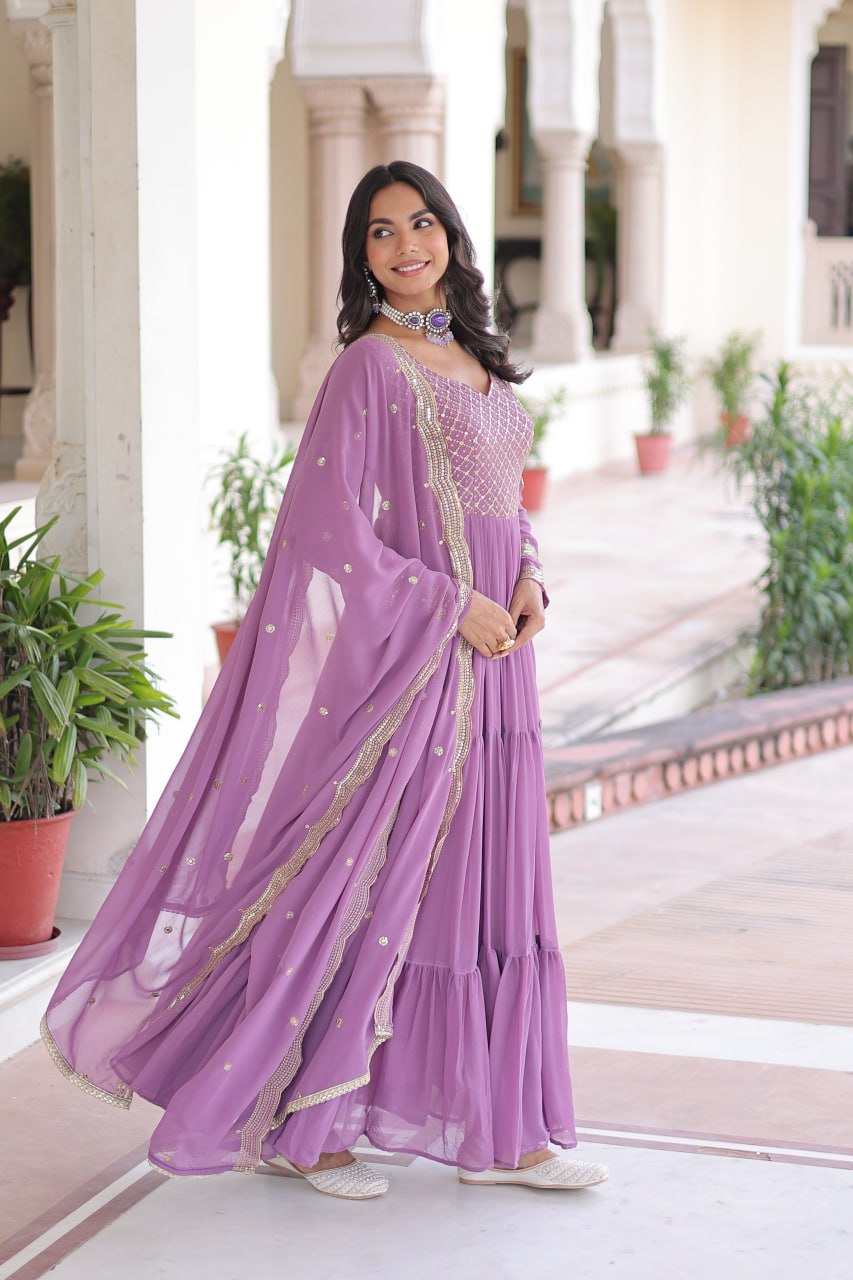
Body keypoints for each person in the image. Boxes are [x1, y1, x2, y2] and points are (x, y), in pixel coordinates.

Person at [42, 161, 608, 1201]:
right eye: (381, 232)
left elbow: (502, 502)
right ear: (361, 257)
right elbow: (326, 529)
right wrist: (451, 602)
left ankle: (504, 1131)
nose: (406, 245)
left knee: (488, 887)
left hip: (499, 670)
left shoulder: (478, 357)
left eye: (421, 223)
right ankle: (307, 1127)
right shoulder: (368, 367)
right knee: (367, 880)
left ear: (451, 237)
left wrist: (528, 573)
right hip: (418, 668)